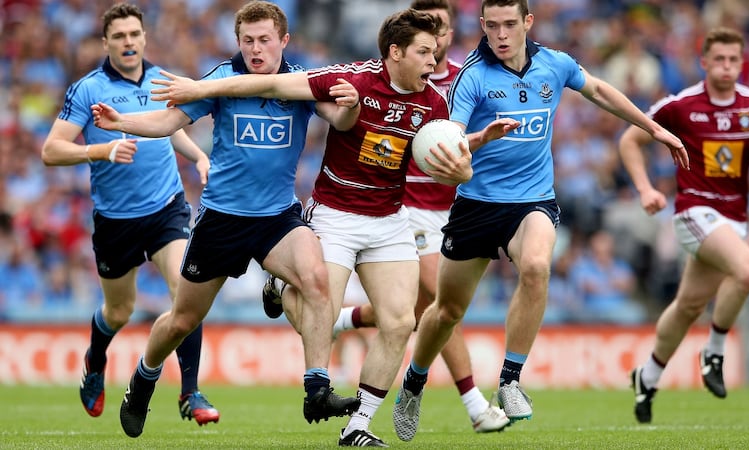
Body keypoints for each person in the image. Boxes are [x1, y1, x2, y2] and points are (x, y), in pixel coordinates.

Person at [139, 8, 517, 446]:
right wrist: (200, 88)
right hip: (335, 215)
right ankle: (286, 292)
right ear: (396, 53)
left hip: (389, 219)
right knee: (312, 319)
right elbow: (271, 84)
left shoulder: (432, 102)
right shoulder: (352, 79)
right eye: (425, 53)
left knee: (400, 322)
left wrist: (475, 144)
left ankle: (358, 426)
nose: (435, 64)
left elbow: (439, 151)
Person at [392, 0, 687, 441]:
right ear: (484, 27)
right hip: (477, 205)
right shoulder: (472, 77)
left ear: (528, 22)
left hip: (533, 201)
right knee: (447, 310)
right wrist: (479, 138)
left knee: (535, 266)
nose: (501, 34)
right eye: (492, 26)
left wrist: (653, 128)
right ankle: (413, 385)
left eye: (510, 24)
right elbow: (448, 141)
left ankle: (510, 380)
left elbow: (601, 91)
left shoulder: (555, 64)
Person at [91, 1, 361, 438]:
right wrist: (122, 120)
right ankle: (145, 376)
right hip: (221, 220)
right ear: (238, 42)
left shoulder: (302, 81)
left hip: (277, 218)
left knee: (316, 279)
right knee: (182, 320)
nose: (256, 49)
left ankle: (316, 387)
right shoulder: (220, 80)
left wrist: (348, 105)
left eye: (264, 40)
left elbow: (342, 121)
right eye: (248, 41)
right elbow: (167, 122)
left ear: (283, 41)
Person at [330, 0, 510, 434]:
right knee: (440, 300)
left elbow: (451, 145)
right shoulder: (403, 81)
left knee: (415, 311)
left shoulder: (463, 82)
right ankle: (473, 404)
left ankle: (344, 319)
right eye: (432, 34)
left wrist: (479, 141)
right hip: (406, 206)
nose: (439, 41)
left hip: (449, 208)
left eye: (445, 30)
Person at [39, 3, 219, 426]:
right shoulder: (88, 88)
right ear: (106, 42)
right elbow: (51, 150)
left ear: (144, 37)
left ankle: (189, 392)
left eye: (134, 34)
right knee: (119, 311)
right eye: (118, 36)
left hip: (166, 209)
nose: (128, 42)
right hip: (116, 221)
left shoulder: (161, 80)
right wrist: (101, 149)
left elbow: (168, 126)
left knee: (186, 295)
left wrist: (197, 156)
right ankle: (95, 361)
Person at [619, 27, 749, 424]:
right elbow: (630, 140)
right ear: (705, 63)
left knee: (689, 305)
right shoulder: (681, 106)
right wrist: (645, 188)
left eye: (734, 60)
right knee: (748, 270)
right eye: (720, 60)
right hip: (693, 212)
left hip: (732, 221)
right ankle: (714, 352)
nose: (727, 67)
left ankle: (648, 376)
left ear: (741, 62)